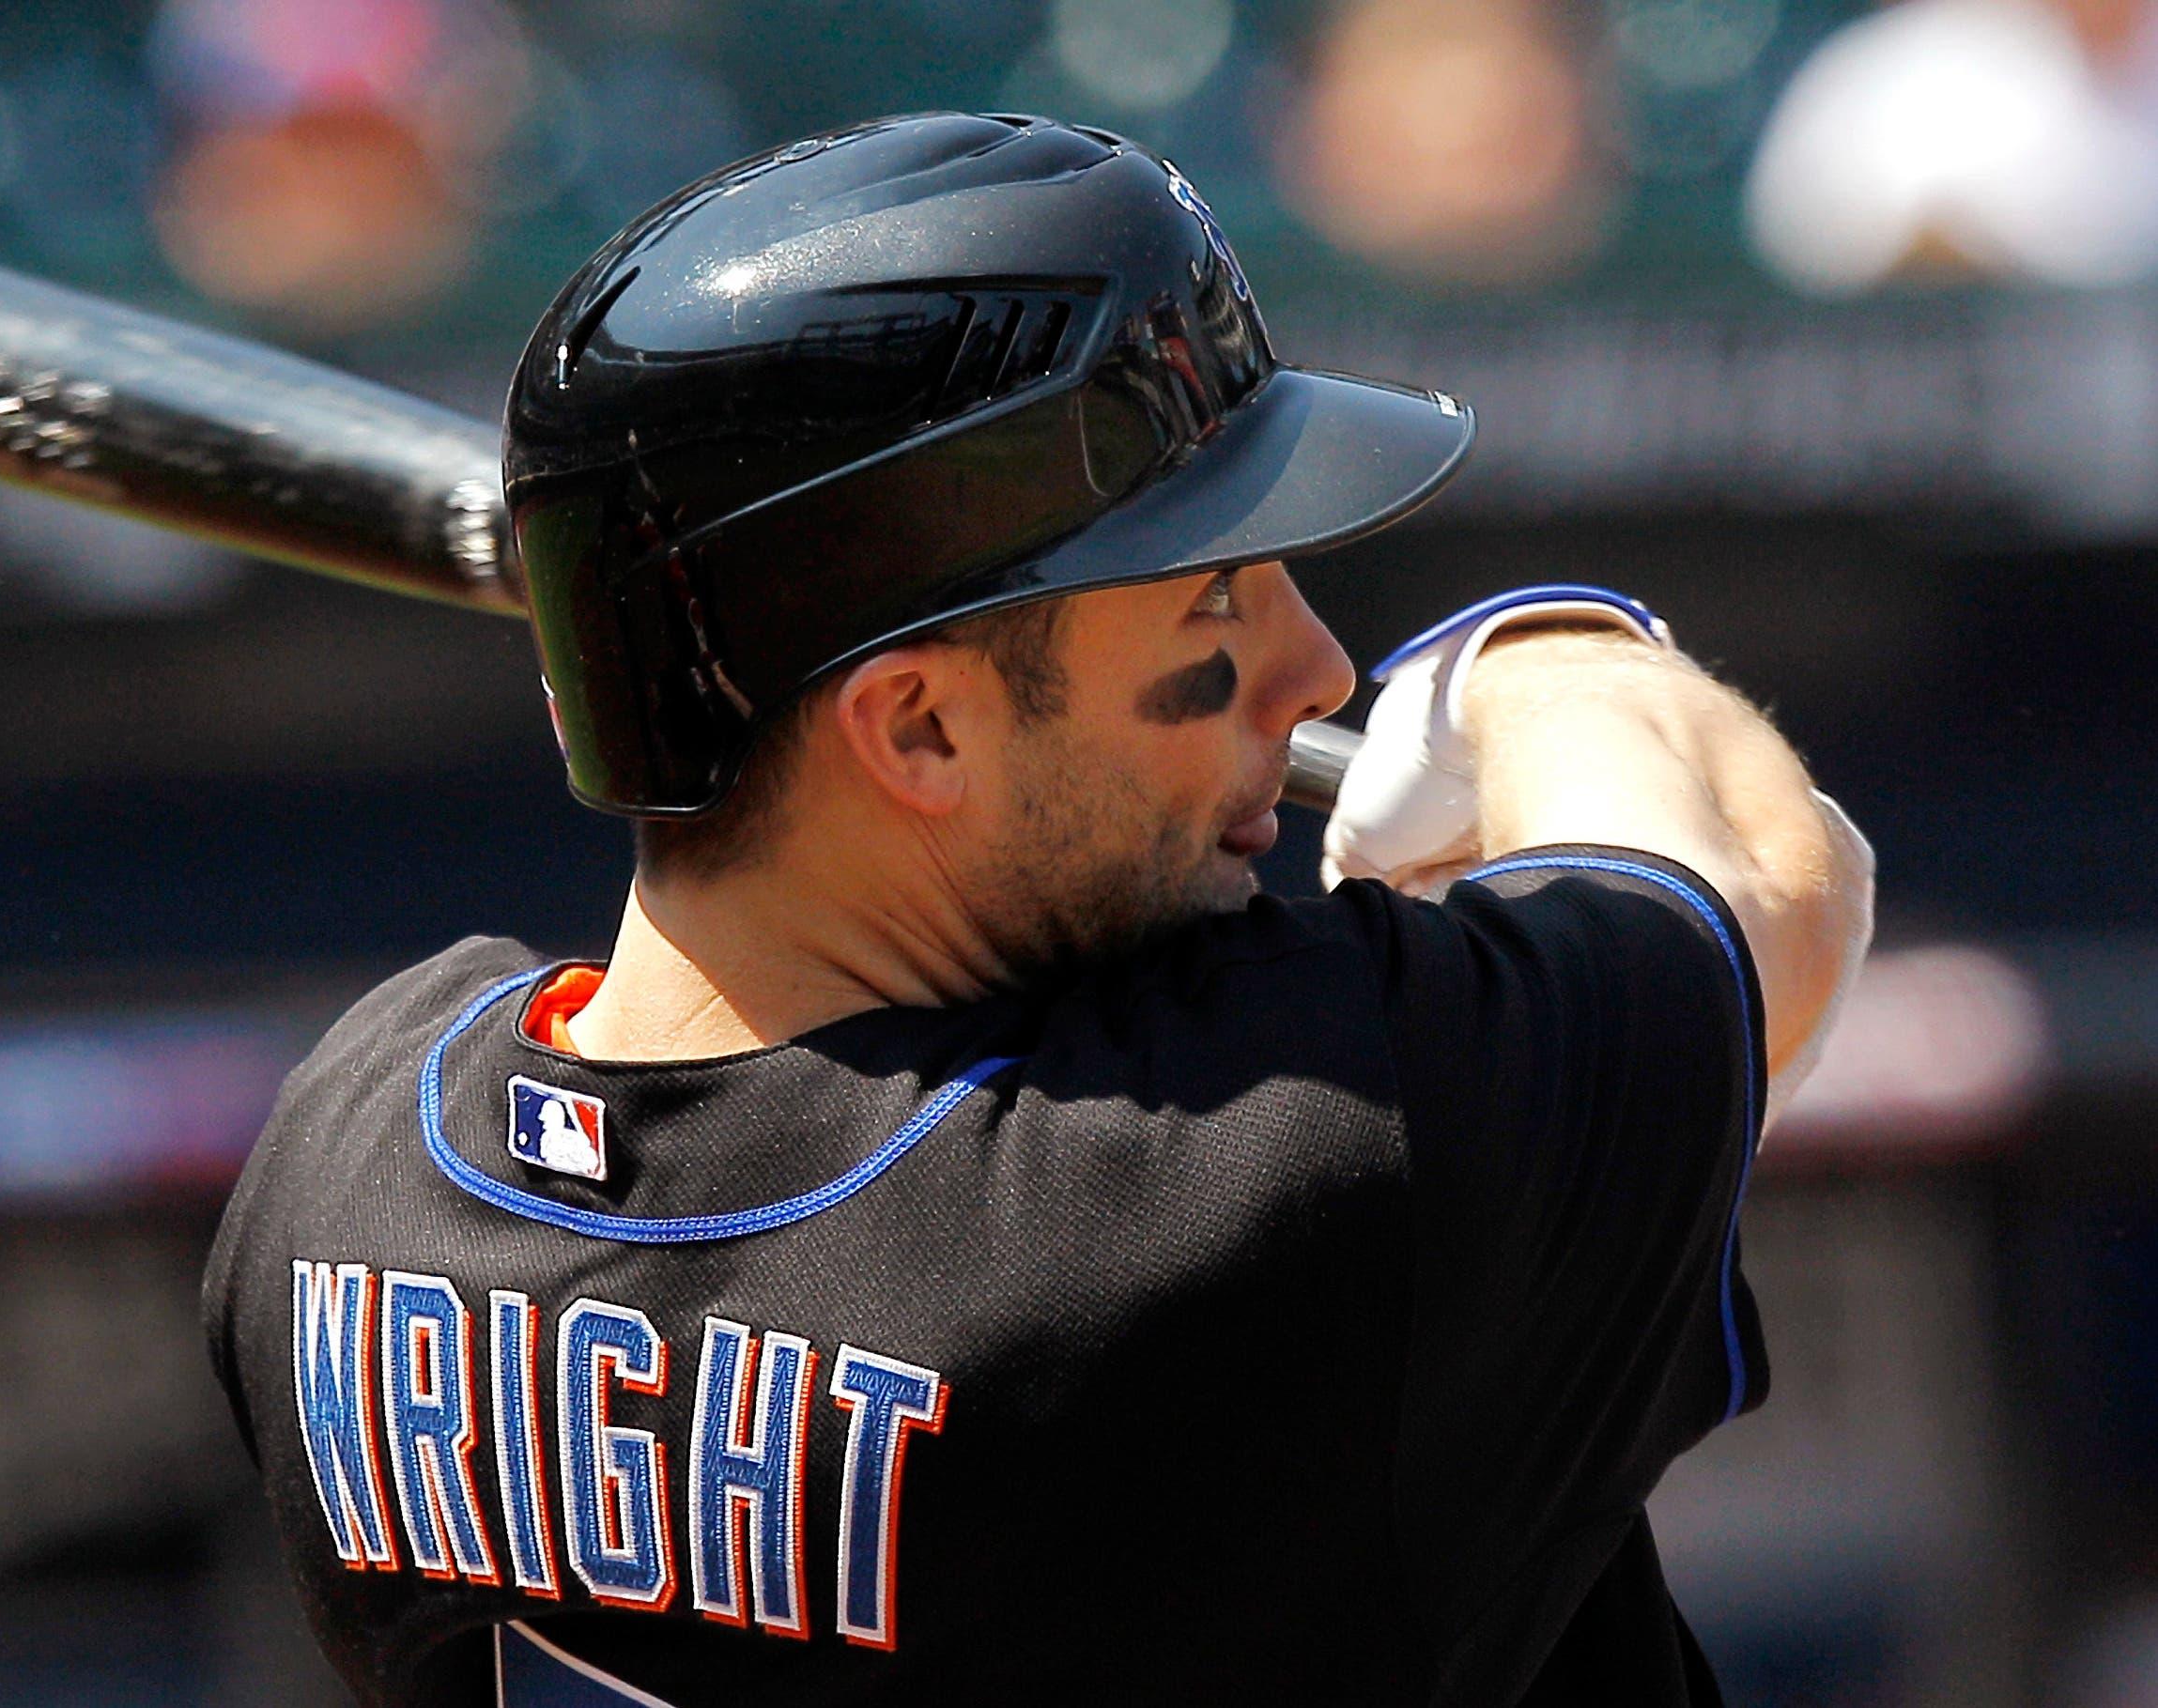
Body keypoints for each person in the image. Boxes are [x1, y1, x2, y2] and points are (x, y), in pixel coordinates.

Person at [202, 113, 1872, 1706]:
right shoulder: (1277, 1167)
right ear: (919, 727)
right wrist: (1548, 655)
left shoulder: (343, 1157)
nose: (1313, 668)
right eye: (1214, 597)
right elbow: (1769, 890)